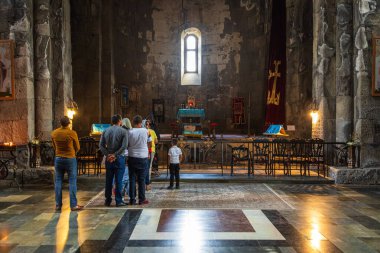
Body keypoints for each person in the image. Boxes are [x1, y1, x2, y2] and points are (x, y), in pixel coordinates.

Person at [51, 116, 83, 211]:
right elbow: (77, 147)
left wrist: (59, 152)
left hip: (58, 158)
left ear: (60, 123)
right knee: (72, 181)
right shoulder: (72, 133)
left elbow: (54, 146)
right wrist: (73, 153)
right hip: (70, 158)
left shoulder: (54, 133)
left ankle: (58, 205)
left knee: (58, 181)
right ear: (69, 123)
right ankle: (73, 205)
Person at [99, 114, 128, 207]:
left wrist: (108, 155)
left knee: (108, 180)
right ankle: (118, 201)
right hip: (119, 158)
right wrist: (115, 155)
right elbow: (124, 146)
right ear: (120, 121)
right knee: (119, 180)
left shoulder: (105, 131)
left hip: (109, 159)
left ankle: (107, 200)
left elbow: (101, 146)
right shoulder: (123, 131)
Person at [128, 115, 150, 205]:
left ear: (133, 122)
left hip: (132, 156)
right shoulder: (146, 131)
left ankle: (132, 199)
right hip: (143, 157)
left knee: (132, 179)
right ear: (141, 123)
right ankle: (141, 199)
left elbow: (128, 144)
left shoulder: (130, 132)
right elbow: (149, 141)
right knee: (141, 179)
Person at [121, 117, 132, 200]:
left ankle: (122, 192)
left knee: (122, 175)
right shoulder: (130, 132)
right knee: (126, 175)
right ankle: (127, 192)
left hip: (120, 155)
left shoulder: (119, 131)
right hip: (128, 155)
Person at [145, 119, 158, 191]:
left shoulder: (143, 131)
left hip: (144, 151)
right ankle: (148, 181)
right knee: (149, 166)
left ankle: (145, 182)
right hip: (150, 150)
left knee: (145, 166)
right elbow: (156, 141)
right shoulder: (152, 131)